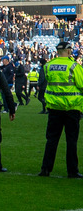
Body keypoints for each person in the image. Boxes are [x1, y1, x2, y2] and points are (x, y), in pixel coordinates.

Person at [39, 41, 83, 178]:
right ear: (69, 51)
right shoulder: (74, 66)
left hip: (54, 108)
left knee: (51, 140)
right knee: (71, 141)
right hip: (71, 107)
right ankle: (72, 171)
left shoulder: (48, 66)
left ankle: (46, 169)